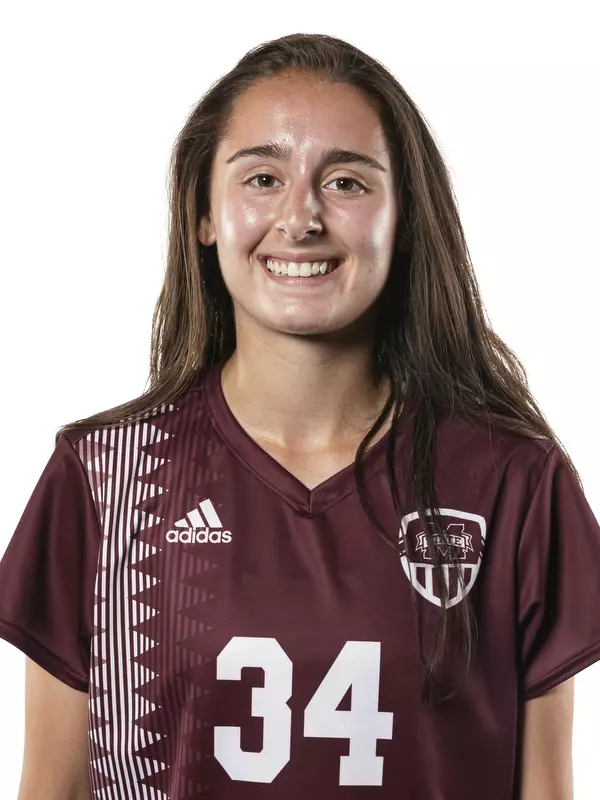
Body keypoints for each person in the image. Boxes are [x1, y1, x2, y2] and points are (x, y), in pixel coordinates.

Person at [0, 31, 598, 800]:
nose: (301, 217)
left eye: (347, 182)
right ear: (204, 215)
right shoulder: (106, 478)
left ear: (405, 218)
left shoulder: (513, 482)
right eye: (261, 178)